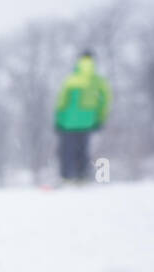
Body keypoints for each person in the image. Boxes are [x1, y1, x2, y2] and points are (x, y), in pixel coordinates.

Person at [55, 50, 111, 183]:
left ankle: (66, 178)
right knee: (83, 149)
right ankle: (82, 177)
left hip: (68, 121)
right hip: (88, 121)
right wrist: (100, 119)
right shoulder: (97, 80)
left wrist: (58, 120)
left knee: (66, 150)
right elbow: (105, 101)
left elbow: (62, 101)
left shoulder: (72, 78)